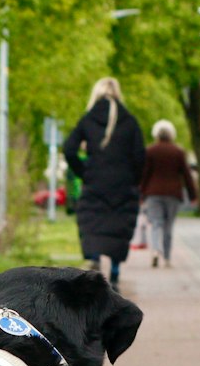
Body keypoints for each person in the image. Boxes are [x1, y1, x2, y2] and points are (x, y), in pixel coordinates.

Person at [62, 78, 146, 289]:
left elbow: (69, 149)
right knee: (119, 226)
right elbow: (140, 156)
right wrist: (133, 179)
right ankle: (115, 271)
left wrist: (84, 172)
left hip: (95, 182)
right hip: (123, 184)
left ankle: (95, 258)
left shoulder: (88, 120)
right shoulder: (130, 121)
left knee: (93, 222)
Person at [138, 120, 199, 268]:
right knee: (168, 226)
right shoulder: (178, 152)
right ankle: (166, 257)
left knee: (156, 223)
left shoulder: (150, 151)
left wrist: (140, 194)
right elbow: (186, 175)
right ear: (172, 134)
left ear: (156, 134)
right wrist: (193, 195)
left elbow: (144, 174)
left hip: (153, 194)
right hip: (173, 194)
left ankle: (155, 251)